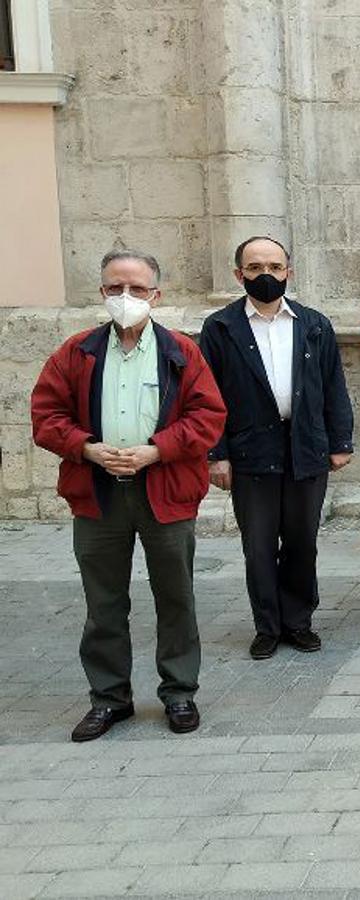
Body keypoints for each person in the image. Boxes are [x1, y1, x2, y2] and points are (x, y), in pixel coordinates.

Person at [31, 249, 226, 741]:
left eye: (137, 289)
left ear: (156, 295)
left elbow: (207, 418)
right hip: (97, 495)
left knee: (175, 596)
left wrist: (156, 451)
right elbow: (46, 415)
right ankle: (109, 698)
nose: (126, 297)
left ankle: (179, 692)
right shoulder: (76, 352)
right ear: (102, 293)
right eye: (116, 288)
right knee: (103, 602)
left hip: (164, 490)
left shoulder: (181, 351)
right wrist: (88, 450)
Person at [201, 237, 354, 661]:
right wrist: (217, 454)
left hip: (306, 447)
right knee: (260, 543)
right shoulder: (219, 328)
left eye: (274, 266)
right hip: (251, 451)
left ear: (289, 271)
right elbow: (207, 397)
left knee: (303, 540)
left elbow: (333, 387)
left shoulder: (314, 324)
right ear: (239, 274)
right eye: (254, 267)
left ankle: (298, 621)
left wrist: (340, 441)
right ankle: (267, 626)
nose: (265, 275)